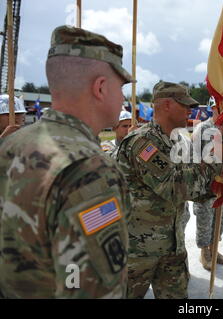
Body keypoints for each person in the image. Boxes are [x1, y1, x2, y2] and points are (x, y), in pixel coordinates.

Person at [0, 26, 133, 298]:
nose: (123, 98)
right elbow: (91, 289)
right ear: (101, 87)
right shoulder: (91, 170)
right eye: (121, 88)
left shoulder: (11, 143)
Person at [116, 81, 223, 299]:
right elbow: (175, 186)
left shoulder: (178, 142)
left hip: (172, 248)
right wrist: (215, 160)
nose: (190, 111)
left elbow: (195, 184)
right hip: (139, 252)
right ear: (166, 105)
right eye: (184, 105)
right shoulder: (142, 142)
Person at [192, 105, 223, 271]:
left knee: (221, 217)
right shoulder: (203, 128)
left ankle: (215, 248)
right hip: (205, 185)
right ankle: (204, 252)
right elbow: (197, 156)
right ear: (214, 108)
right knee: (205, 218)